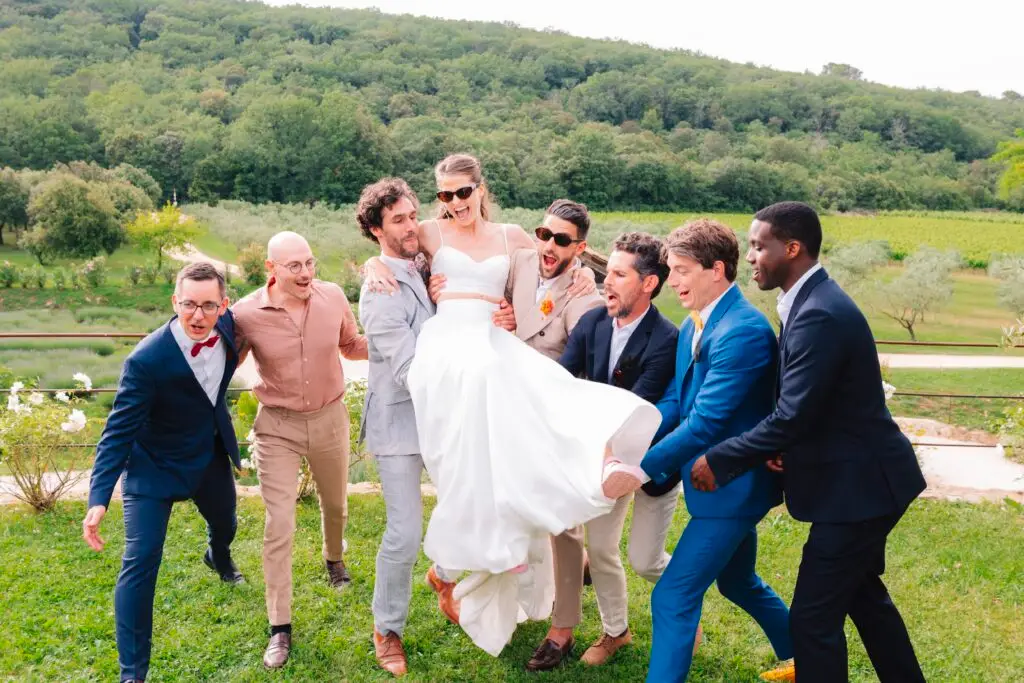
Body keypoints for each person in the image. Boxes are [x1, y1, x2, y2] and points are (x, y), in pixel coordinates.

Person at [366, 154, 662, 656]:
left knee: (532, 415)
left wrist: (588, 279)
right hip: (448, 349)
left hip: (491, 340)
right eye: (445, 195)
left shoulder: (512, 237)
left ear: (481, 189)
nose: (455, 203)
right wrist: (374, 263)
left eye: (464, 192)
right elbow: (393, 251)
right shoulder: (430, 236)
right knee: (466, 465)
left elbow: (558, 263)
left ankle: (591, 460)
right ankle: (456, 567)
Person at [690, 202, 927, 682]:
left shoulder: (819, 312)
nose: (751, 255)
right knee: (864, 598)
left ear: (792, 248)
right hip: (863, 479)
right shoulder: (808, 301)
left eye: (759, 246)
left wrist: (721, 458)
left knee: (813, 618)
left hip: (862, 489)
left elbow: (793, 414)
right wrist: (789, 450)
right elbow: (818, 404)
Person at [606, 219, 795, 682]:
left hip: (734, 489)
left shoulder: (743, 331)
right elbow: (676, 399)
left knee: (672, 597)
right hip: (714, 487)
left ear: (717, 269)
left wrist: (642, 470)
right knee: (737, 581)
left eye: (684, 270)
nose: (675, 281)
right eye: (671, 270)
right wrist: (626, 435)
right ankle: (807, 658)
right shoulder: (697, 324)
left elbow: (706, 421)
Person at [524, 231, 681, 671]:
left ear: (649, 284)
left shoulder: (664, 340)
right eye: (605, 272)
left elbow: (633, 410)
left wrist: (601, 443)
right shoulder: (593, 323)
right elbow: (561, 380)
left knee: (604, 546)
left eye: (617, 274)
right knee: (574, 531)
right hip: (584, 450)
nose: (605, 282)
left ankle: (616, 631)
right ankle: (606, 626)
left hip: (629, 458)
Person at [82, 262, 243, 683]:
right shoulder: (145, 361)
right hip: (152, 469)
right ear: (175, 302)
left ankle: (218, 556)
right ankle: (132, 673)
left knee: (226, 524)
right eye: (188, 304)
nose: (197, 315)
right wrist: (98, 499)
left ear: (223, 306)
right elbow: (117, 432)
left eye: (209, 305)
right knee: (140, 561)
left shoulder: (229, 330)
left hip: (208, 457)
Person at [232, 231, 369, 669]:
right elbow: (220, 365)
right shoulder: (245, 314)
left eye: (310, 263)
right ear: (271, 269)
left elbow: (352, 345)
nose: (307, 273)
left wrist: (402, 342)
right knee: (280, 523)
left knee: (336, 504)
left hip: (330, 417)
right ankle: (280, 628)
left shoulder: (332, 298)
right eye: (295, 266)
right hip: (277, 427)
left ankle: (334, 558)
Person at [355, 177, 442, 677]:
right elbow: (410, 370)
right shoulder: (378, 290)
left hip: (443, 417)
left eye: (413, 216)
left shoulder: (426, 259)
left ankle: (445, 575)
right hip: (400, 422)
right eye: (398, 221)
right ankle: (387, 629)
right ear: (375, 230)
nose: (411, 227)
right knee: (405, 533)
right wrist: (456, 330)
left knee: (475, 498)